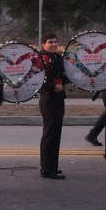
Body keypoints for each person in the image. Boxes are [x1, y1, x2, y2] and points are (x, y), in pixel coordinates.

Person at [38, 33, 67, 179]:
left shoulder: (56, 57)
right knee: (50, 134)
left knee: (56, 134)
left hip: (58, 98)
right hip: (48, 98)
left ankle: (53, 167)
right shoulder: (41, 59)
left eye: (56, 41)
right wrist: (52, 87)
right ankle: (47, 169)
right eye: (50, 42)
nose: (54, 44)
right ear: (43, 45)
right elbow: (37, 79)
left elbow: (63, 76)